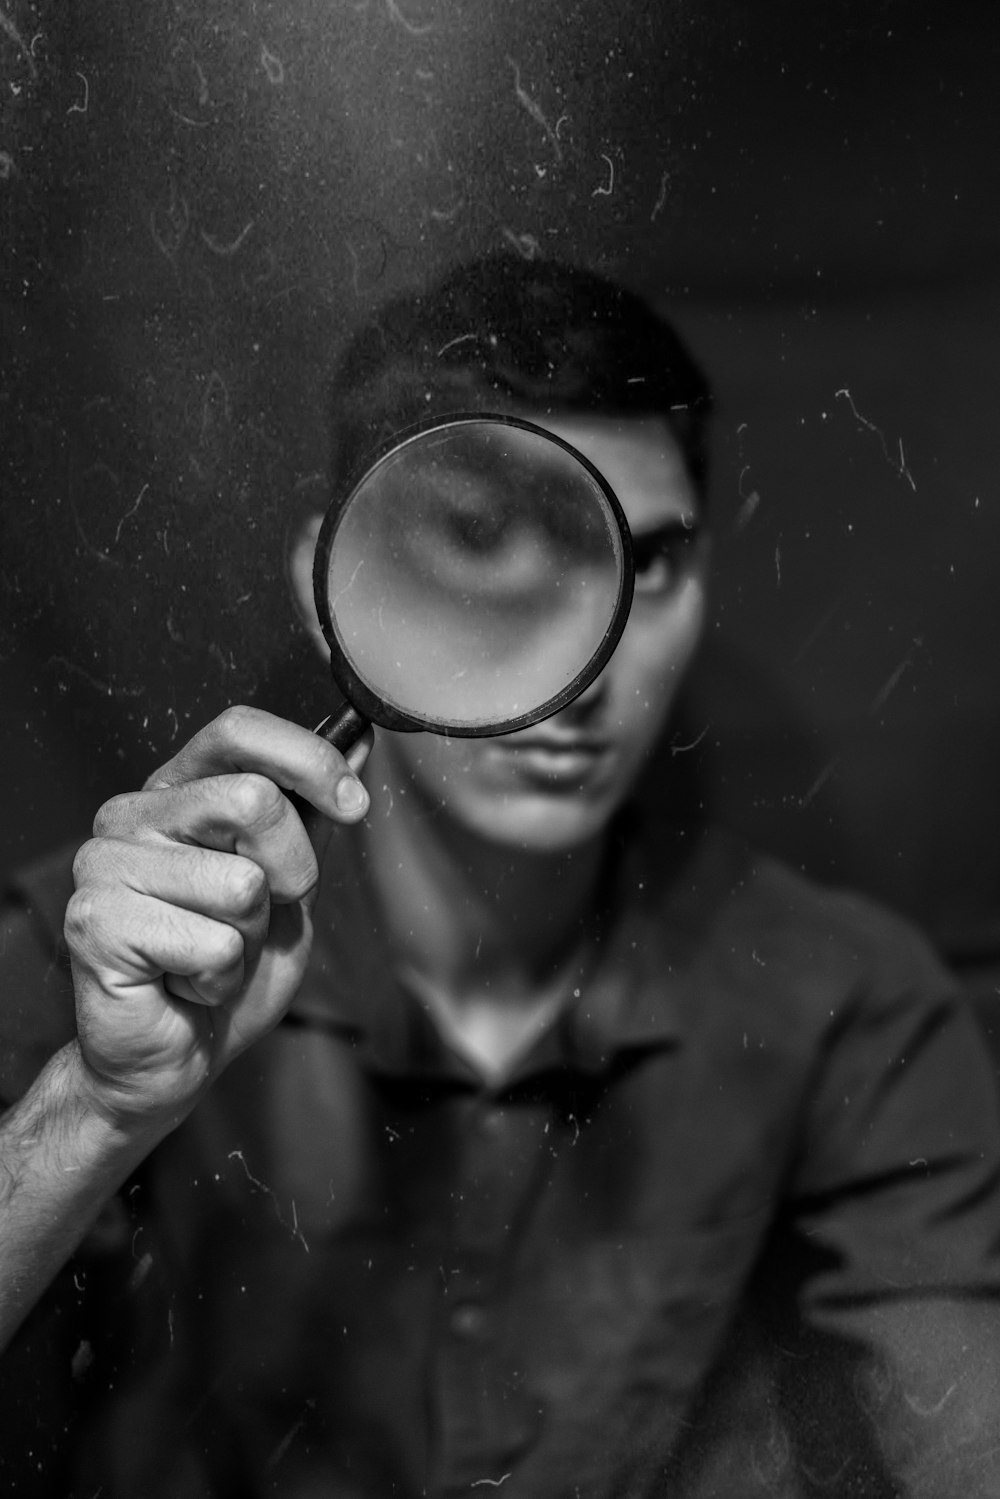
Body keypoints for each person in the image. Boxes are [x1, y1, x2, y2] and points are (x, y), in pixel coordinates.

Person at [2, 253, 1000, 1498]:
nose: (577, 662)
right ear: (333, 587)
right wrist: (93, 1107)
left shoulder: (843, 993)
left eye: (644, 563)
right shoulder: (103, 947)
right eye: (476, 539)